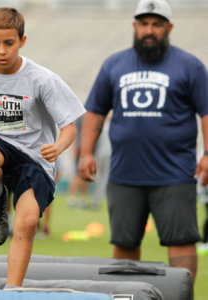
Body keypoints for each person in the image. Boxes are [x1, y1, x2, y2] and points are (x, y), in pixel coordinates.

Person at [0, 7, 85, 287]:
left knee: (28, 222)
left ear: (22, 41)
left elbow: (70, 126)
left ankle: (12, 290)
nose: (1, 51)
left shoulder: (43, 79)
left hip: (33, 159)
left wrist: (57, 148)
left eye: (9, 43)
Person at [79, 0, 208, 282]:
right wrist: (85, 152)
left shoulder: (190, 65)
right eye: (144, 24)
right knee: (125, 243)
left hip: (174, 173)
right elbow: (95, 112)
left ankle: (182, 294)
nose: (149, 30)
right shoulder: (114, 64)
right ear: (135, 26)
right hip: (125, 174)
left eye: (157, 24)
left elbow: (207, 112)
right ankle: (128, 294)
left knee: (182, 239)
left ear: (169, 27)